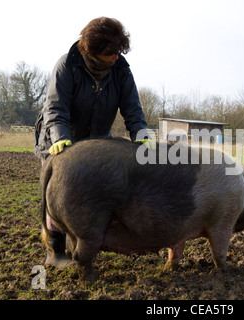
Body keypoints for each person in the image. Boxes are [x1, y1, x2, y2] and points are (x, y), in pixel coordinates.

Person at [34, 17, 152, 268]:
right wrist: (60, 138)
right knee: (59, 190)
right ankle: (55, 250)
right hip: (59, 134)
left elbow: (132, 107)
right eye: (111, 53)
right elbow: (55, 108)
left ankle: (85, 240)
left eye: (119, 51)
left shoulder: (121, 69)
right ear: (92, 52)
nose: (116, 57)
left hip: (97, 138)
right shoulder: (67, 66)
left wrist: (140, 132)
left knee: (96, 191)